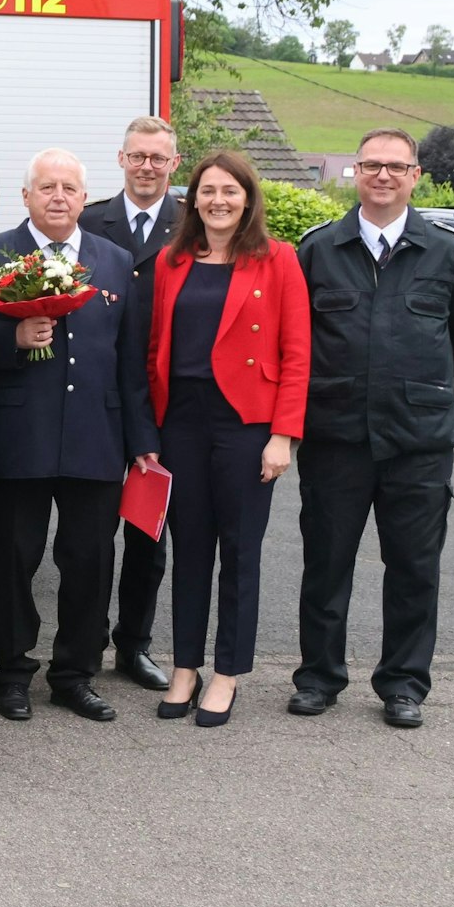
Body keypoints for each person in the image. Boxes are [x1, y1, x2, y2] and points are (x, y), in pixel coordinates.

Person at [0, 149, 158, 724]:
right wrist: (13, 340)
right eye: (46, 187)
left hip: (95, 436)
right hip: (17, 434)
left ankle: (76, 673)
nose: (58, 197)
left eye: (69, 188)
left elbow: (131, 361)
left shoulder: (114, 259)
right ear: (25, 196)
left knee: (88, 561)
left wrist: (141, 438)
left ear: (84, 197)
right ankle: (11, 669)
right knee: (12, 559)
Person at [292, 127, 454, 728]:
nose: (383, 176)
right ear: (355, 174)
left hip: (419, 441)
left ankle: (404, 684)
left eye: (396, 166)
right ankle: (318, 677)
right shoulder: (317, 250)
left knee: (415, 568)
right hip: (336, 436)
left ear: (416, 175)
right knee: (326, 563)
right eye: (372, 166)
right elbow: (297, 346)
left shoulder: (447, 253)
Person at [146, 151, 310, 726]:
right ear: (193, 200)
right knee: (188, 549)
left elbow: (297, 354)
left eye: (230, 191)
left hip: (246, 423)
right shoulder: (172, 261)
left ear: (248, 198)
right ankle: (185, 666)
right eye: (207, 191)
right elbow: (153, 351)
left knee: (239, 552)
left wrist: (283, 435)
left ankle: (227, 673)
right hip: (182, 421)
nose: (218, 200)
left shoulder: (279, 259)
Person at [80, 115, 184, 693]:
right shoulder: (89, 220)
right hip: (96, 396)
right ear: (121, 159)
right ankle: (87, 642)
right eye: (137, 156)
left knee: (149, 531)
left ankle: (134, 643)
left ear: (173, 163)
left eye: (158, 158)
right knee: (91, 534)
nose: (147, 166)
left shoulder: (191, 223)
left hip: (163, 399)